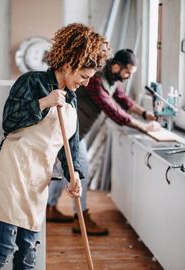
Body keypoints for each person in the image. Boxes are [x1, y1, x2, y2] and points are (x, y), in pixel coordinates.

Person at [0, 23, 110, 270]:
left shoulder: (72, 98)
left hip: (37, 182)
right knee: (1, 250)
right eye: (83, 76)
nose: (85, 83)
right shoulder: (31, 82)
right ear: (70, 65)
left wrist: (74, 175)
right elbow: (9, 121)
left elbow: (70, 144)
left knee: (27, 255)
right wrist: (44, 102)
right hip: (10, 174)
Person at [46, 49, 161, 235]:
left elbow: (123, 100)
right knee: (81, 172)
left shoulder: (112, 79)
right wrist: (143, 127)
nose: (128, 76)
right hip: (69, 132)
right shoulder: (96, 79)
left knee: (64, 170)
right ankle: (80, 219)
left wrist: (146, 114)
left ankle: (50, 209)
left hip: (75, 133)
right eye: (127, 72)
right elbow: (112, 109)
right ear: (116, 66)